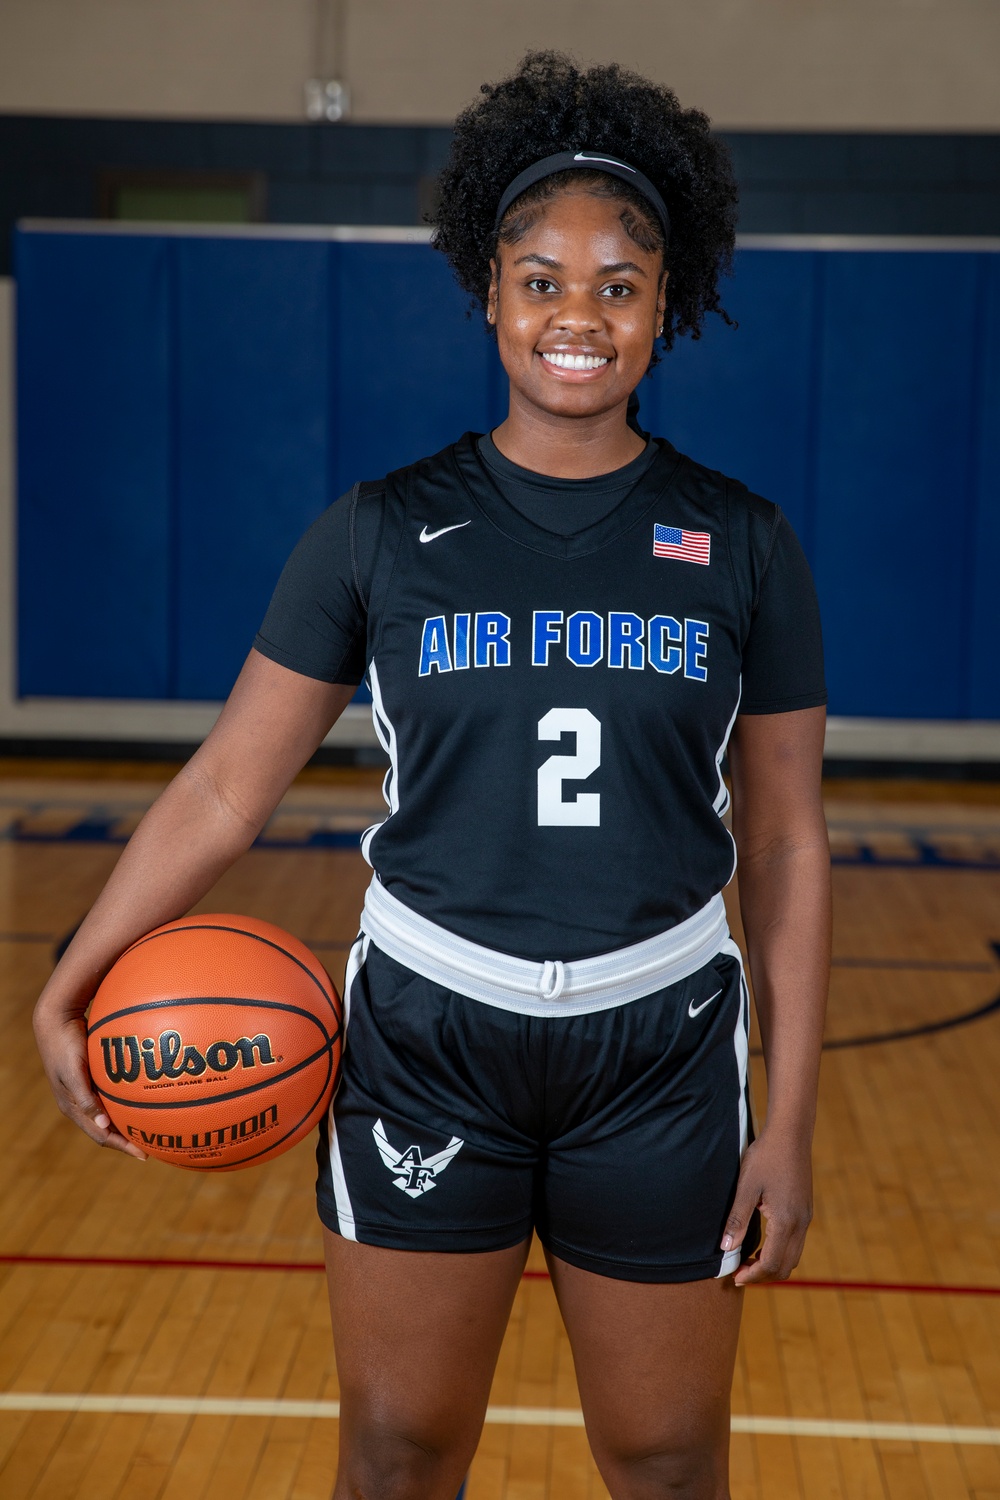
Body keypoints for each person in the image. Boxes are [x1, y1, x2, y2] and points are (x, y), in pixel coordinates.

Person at [34, 51, 830, 1500]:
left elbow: (781, 846)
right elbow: (227, 786)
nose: (576, 315)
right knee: (397, 1456)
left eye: (615, 283)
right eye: (540, 279)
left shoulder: (745, 542)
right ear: (487, 290)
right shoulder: (382, 531)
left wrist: (786, 1121)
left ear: (670, 302)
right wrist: (72, 973)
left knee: (666, 1464)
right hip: (427, 1035)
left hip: (658, 1047)